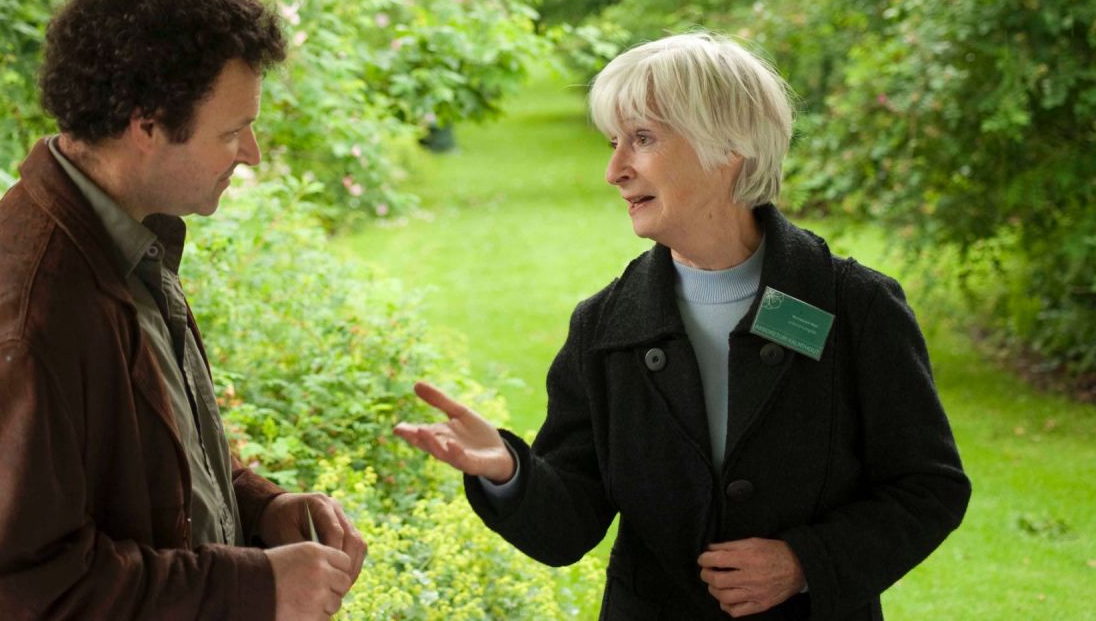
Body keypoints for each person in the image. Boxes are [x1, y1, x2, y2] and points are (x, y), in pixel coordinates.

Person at [395, 32, 971, 619]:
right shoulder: (603, 325)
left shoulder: (856, 306)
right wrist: (508, 471)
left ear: (730, 146)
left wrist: (805, 562)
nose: (614, 170)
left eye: (642, 139)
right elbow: (569, 524)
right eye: (615, 142)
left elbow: (929, 488)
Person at [0, 0, 366, 620]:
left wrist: (260, 509)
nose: (252, 153)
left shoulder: (116, 240)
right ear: (146, 126)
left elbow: (149, 472)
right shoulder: (28, 327)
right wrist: (252, 588)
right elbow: (19, 598)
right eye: (233, 131)